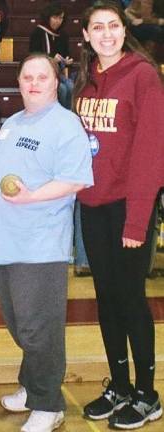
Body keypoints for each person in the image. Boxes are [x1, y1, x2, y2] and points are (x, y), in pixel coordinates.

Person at [0, 53, 93, 432]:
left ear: (55, 80)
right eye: (27, 76)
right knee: (18, 322)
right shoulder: (12, 122)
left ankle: (49, 404)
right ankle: (31, 387)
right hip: (3, 240)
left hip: (39, 243)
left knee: (37, 327)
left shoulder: (66, 124)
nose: (32, 82)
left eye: (41, 76)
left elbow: (76, 179)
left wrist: (30, 198)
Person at [73, 1, 164, 429]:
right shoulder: (86, 80)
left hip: (131, 207)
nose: (106, 33)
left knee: (131, 300)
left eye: (114, 26)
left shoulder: (143, 76)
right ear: (87, 36)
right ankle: (120, 386)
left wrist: (137, 221)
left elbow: (151, 155)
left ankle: (148, 394)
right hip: (93, 207)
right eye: (98, 27)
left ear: (123, 31)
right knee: (107, 300)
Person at [29, 2, 74, 109]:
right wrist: (50, 59)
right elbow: (33, 56)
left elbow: (66, 54)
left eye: (61, 18)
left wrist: (67, 60)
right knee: (62, 90)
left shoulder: (63, 35)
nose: (58, 21)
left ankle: (68, 115)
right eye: (55, 18)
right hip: (41, 74)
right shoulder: (38, 33)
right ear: (48, 17)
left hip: (57, 73)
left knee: (71, 87)